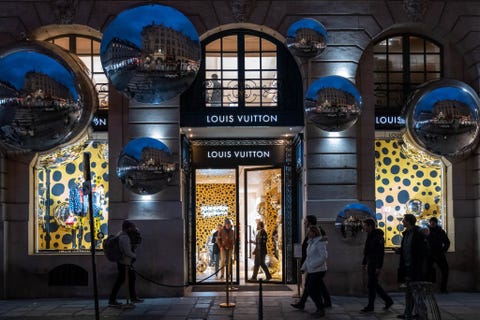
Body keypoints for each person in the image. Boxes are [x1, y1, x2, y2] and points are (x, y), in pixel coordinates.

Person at [292, 215, 331, 310]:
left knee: (311, 287)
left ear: (309, 222)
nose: (304, 223)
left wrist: (312, 264)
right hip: (310, 263)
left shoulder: (318, 233)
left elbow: (323, 249)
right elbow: (307, 248)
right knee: (316, 286)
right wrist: (304, 265)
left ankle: (319, 306)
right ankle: (305, 303)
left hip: (315, 266)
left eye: (306, 221)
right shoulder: (311, 236)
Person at [396, 214, 430, 320]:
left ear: (409, 222)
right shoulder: (406, 234)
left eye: (404, 220)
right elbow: (407, 249)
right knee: (409, 292)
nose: (402, 222)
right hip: (407, 267)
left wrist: (419, 266)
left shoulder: (418, 234)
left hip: (415, 267)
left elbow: (423, 251)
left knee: (417, 292)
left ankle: (422, 314)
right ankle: (408, 313)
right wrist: (400, 251)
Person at [360, 218, 393, 313]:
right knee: (373, 285)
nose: (364, 227)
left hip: (375, 264)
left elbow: (380, 253)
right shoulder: (370, 235)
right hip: (370, 263)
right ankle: (387, 300)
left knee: (372, 285)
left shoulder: (378, 237)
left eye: (365, 225)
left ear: (370, 226)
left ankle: (371, 306)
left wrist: (379, 266)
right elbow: (367, 251)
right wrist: (364, 262)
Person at [108, 220, 144, 306]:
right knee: (120, 280)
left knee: (130, 278)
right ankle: (112, 300)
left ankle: (132, 297)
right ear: (128, 228)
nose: (134, 228)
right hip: (125, 262)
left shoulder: (121, 235)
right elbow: (127, 251)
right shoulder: (125, 238)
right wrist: (134, 255)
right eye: (132, 227)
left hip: (123, 262)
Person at [297, 225, 328, 317]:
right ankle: (319, 307)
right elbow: (309, 257)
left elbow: (324, 256)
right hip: (312, 270)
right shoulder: (311, 243)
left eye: (309, 231)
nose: (308, 233)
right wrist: (303, 268)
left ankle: (320, 309)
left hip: (318, 270)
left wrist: (312, 265)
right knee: (310, 288)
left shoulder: (320, 242)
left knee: (311, 289)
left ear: (314, 233)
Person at [427, 217, 450, 293]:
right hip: (433, 254)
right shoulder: (438, 231)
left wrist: (443, 250)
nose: (432, 224)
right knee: (429, 271)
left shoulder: (437, 231)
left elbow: (447, 242)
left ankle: (442, 288)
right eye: (431, 222)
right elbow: (447, 242)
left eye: (433, 223)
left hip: (436, 254)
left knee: (444, 270)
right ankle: (440, 288)